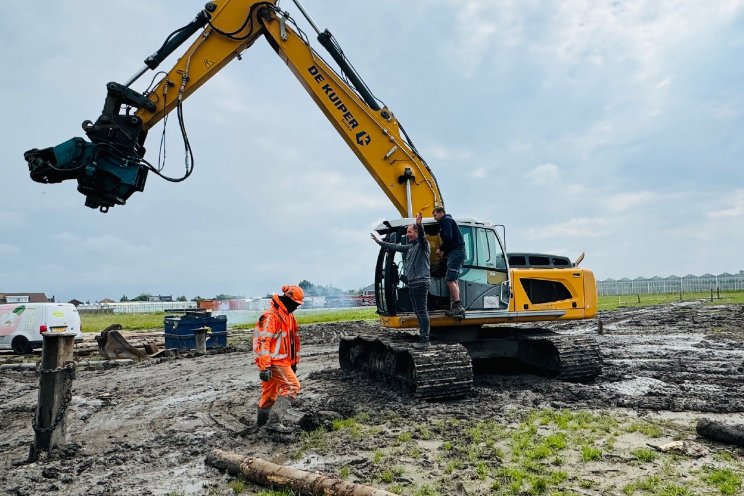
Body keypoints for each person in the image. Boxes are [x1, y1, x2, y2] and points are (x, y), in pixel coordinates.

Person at [371, 212, 431, 347]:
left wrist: (420, 225)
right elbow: (395, 247)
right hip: (414, 283)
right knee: (418, 311)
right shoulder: (410, 247)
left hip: (420, 283)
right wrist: (380, 242)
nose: (408, 234)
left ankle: (425, 340)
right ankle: (424, 336)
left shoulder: (423, 246)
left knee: (421, 311)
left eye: (409, 232)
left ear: (416, 233)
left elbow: (422, 237)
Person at [253, 284, 304, 433]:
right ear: (287, 300)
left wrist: (293, 362)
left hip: (281, 361)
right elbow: (262, 343)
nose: (296, 307)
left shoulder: (288, 316)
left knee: (269, 394)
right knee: (292, 387)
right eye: (295, 304)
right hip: (274, 362)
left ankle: (262, 425)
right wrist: (265, 366)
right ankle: (274, 422)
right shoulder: (271, 317)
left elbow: (293, 341)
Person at [432, 206, 466, 317]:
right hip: (456, 252)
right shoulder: (449, 221)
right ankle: (455, 305)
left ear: (441, 213)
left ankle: (458, 306)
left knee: (450, 279)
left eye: (435, 215)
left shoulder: (446, 221)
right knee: (454, 280)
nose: (434, 218)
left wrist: (441, 249)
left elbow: (448, 238)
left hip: (456, 253)